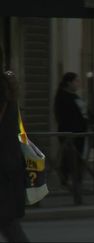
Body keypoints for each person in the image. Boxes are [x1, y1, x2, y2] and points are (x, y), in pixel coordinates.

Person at [0, 71, 30, 242]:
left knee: (9, 225)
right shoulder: (10, 100)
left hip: (4, 172)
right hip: (10, 170)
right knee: (9, 225)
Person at [54, 72, 88, 187]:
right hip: (69, 131)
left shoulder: (75, 97)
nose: (78, 84)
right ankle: (67, 180)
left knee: (77, 156)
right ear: (69, 82)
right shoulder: (63, 97)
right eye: (76, 81)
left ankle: (76, 181)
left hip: (80, 132)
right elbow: (63, 116)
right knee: (69, 157)